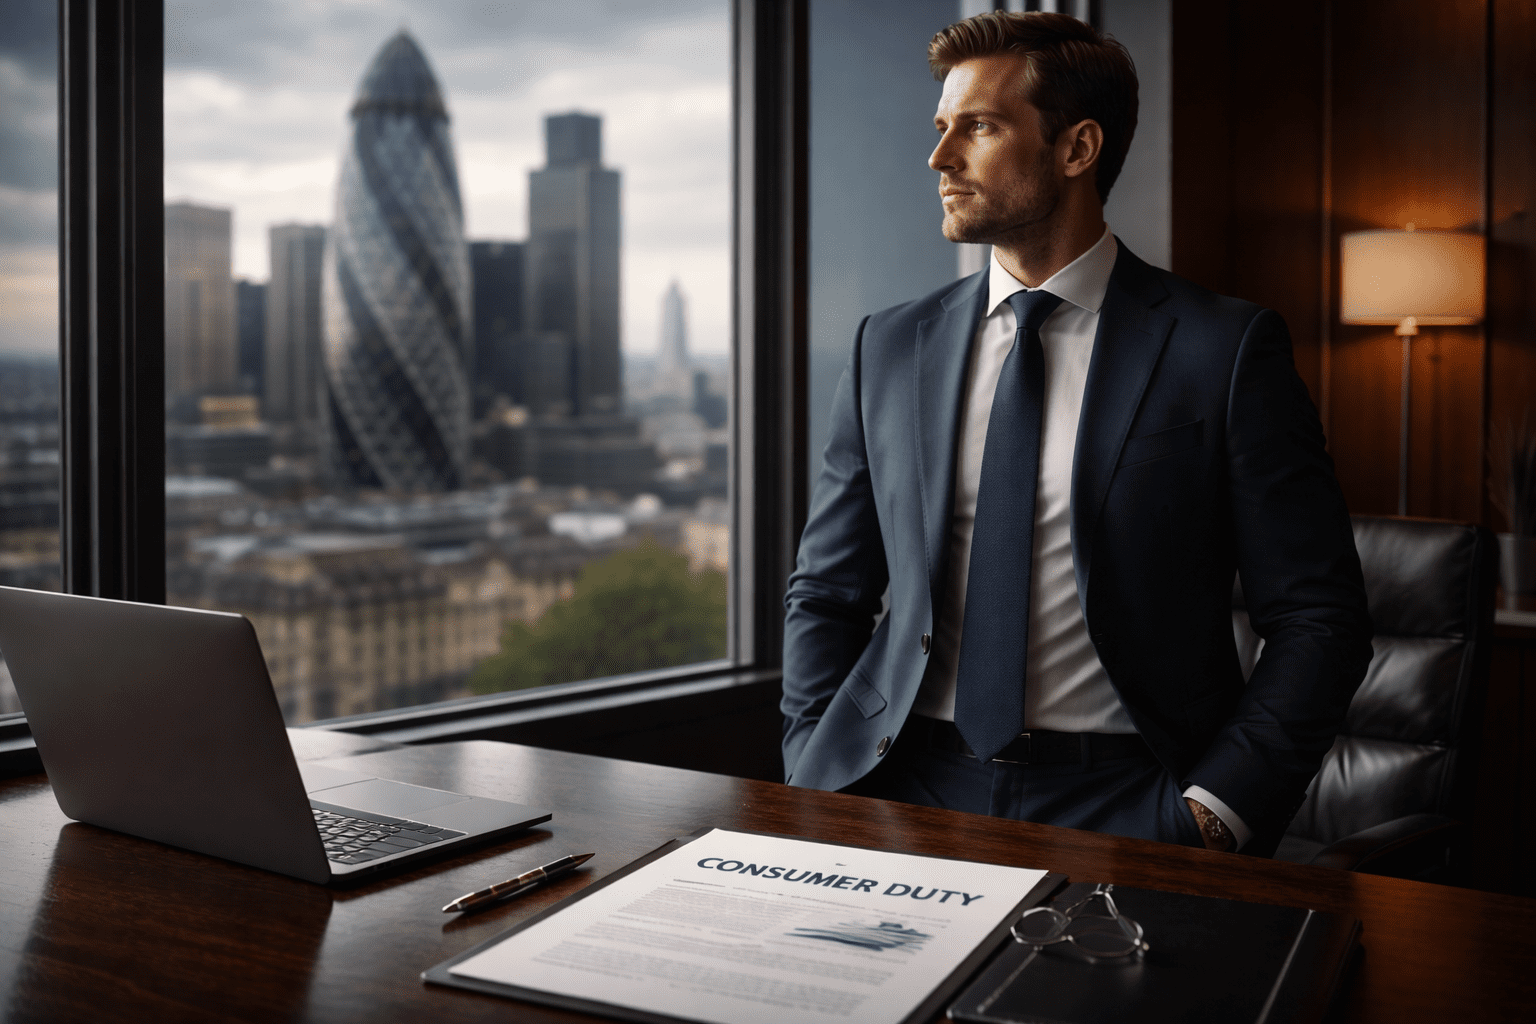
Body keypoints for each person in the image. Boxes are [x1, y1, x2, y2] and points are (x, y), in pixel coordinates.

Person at [780, 11, 1372, 855]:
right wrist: (813, 759)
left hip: (1131, 802)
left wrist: (1214, 811)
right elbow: (827, 591)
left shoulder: (1224, 350)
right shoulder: (890, 346)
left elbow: (1319, 615)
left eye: (977, 127)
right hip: (897, 791)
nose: (940, 158)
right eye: (941, 127)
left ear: (1076, 148)